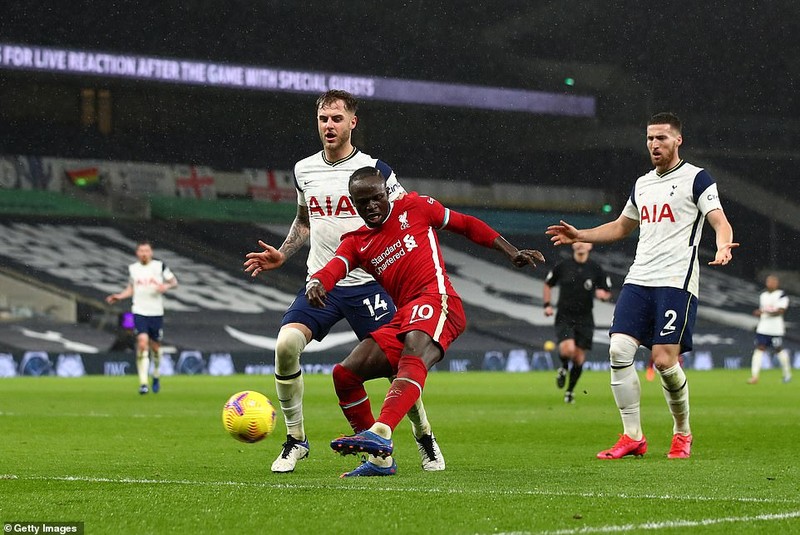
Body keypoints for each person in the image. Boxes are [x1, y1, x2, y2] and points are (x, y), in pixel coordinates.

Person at [244, 89, 444, 473]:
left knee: (398, 367)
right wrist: (284, 254)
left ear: (353, 122)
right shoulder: (304, 170)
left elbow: (402, 218)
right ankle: (296, 440)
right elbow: (305, 221)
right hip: (322, 284)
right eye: (323, 119)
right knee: (286, 345)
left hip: (369, 285)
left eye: (337, 119)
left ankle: (424, 438)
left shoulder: (375, 170)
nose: (329, 126)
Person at [306, 167, 545, 477]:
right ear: (353, 203)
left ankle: (381, 431)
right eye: (363, 202)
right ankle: (380, 458)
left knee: (413, 353)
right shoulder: (356, 241)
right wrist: (318, 283)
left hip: (438, 299)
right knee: (345, 374)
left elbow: (466, 224)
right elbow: (335, 266)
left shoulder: (416, 207)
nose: (371, 207)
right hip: (404, 315)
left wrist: (511, 252)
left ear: (387, 194)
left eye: (377, 198)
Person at [546, 112, 738, 460]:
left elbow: (719, 221)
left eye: (662, 138)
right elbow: (621, 227)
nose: (654, 144)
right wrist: (581, 234)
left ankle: (682, 432)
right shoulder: (642, 184)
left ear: (678, 140)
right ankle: (632, 435)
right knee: (618, 350)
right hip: (639, 278)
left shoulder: (697, 179)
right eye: (650, 138)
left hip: (676, 281)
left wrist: (724, 243)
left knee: (664, 361)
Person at [106, 240, 178, 394]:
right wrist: (119, 296)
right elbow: (131, 288)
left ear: (151, 252)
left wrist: (165, 286)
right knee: (142, 343)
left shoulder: (159, 266)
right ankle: (143, 383)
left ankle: (156, 374)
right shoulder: (133, 269)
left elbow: (174, 282)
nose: (144, 253)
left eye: (147, 250)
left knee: (156, 347)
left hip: (156, 312)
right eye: (141, 251)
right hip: (139, 310)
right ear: (137, 253)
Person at [543, 242, 612, 403]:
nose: (580, 245)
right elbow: (548, 284)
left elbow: (606, 290)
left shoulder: (595, 268)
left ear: (590, 247)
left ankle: (570, 391)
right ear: (573, 246)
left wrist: (603, 294)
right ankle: (563, 367)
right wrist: (547, 305)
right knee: (568, 350)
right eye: (577, 242)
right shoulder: (563, 266)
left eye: (584, 243)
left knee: (579, 358)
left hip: (585, 317)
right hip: (565, 315)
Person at [748, 274, 792, 384]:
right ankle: (754, 376)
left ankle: (787, 374)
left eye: (772, 282)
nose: (770, 284)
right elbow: (763, 311)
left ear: (777, 283)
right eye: (768, 282)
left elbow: (781, 311)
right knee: (759, 349)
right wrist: (760, 313)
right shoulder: (763, 295)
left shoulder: (781, 295)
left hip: (775, 329)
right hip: (763, 328)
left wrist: (764, 312)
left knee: (779, 350)